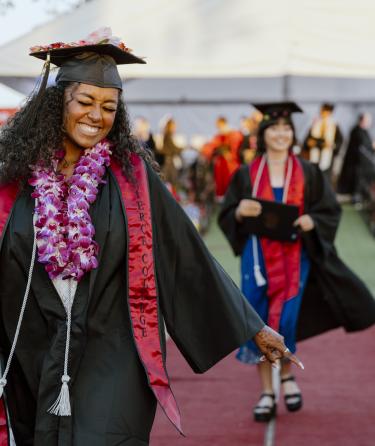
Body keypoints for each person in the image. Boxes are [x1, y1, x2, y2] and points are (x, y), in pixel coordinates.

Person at [0, 30, 298, 446]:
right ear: (56, 103)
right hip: (32, 345)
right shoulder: (13, 178)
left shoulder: (131, 178)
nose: (96, 116)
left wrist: (253, 326)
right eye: (85, 102)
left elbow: (185, 252)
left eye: (108, 107)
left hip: (112, 345)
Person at [219, 102, 375, 423]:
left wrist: (312, 221)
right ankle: (267, 391)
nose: (281, 133)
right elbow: (228, 211)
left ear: (293, 133)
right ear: (263, 135)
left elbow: (329, 210)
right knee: (259, 322)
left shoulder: (308, 172)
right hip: (257, 260)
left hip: (294, 258)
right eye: (274, 128)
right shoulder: (247, 174)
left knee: (286, 320)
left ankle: (287, 377)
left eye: (286, 128)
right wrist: (238, 211)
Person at [202, 116, 243, 200]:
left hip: (231, 164)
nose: (218, 126)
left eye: (218, 124)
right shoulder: (219, 135)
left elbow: (235, 150)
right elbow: (211, 147)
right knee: (222, 184)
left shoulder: (233, 133)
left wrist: (228, 154)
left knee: (231, 181)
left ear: (222, 123)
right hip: (222, 164)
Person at [337, 112, 375, 201]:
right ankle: (356, 197)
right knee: (356, 183)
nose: (370, 123)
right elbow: (362, 147)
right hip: (356, 165)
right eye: (368, 120)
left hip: (362, 165)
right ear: (363, 120)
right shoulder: (356, 131)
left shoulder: (364, 131)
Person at [303, 103, 343, 179]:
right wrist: (309, 143)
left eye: (326, 111)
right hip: (314, 153)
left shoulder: (334, 125)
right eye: (323, 111)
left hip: (327, 154)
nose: (323, 113)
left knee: (325, 176)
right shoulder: (315, 123)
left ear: (330, 112)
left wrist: (333, 146)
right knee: (314, 174)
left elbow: (339, 141)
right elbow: (308, 140)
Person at [159, 117, 183, 188]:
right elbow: (173, 148)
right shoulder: (167, 135)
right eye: (173, 126)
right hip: (168, 161)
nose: (175, 128)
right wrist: (183, 148)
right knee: (171, 179)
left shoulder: (167, 135)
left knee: (169, 179)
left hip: (168, 160)